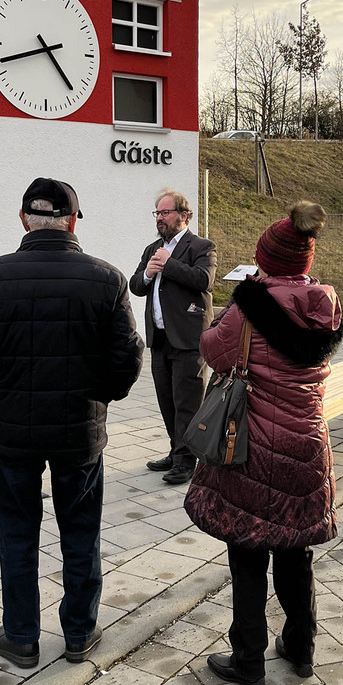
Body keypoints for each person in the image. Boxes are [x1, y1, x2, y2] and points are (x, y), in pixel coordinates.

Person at [0, 178, 144, 669]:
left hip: (15, 431)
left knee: (16, 530)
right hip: (80, 429)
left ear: (23, 218)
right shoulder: (107, 277)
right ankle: (79, 633)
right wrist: (102, 395)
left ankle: (21, 636)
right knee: (81, 531)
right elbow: (128, 356)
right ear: (73, 221)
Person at [184, 201, 343, 685]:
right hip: (307, 448)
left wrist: (226, 312)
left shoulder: (248, 308)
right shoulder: (325, 305)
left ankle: (248, 662)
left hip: (250, 447)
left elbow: (211, 349)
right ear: (306, 260)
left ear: (265, 259)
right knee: (296, 554)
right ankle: (301, 651)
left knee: (248, 554)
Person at [129, 189, 216, 485]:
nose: (160, 218)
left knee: (187, 402)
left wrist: (169, 264)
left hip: (189, 338)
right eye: (157, 213)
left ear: (184, 215)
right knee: (167, 400)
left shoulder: (201, 246)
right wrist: (148, 274)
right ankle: (174, 450)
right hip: (160, 339)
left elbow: (203, 280)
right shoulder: (152, 248)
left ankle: (186, 461)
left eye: (165, 212)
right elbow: (136, 285)